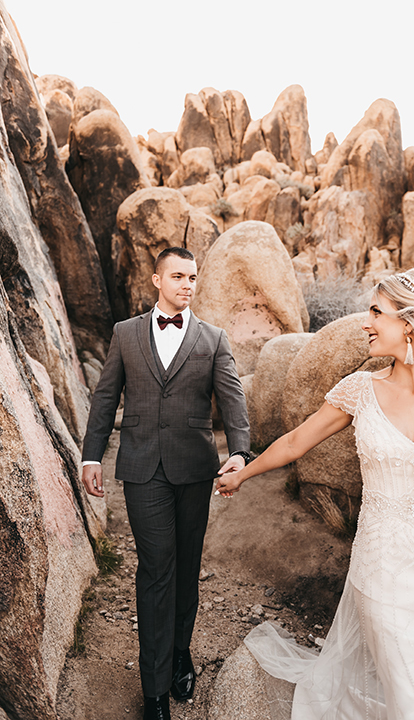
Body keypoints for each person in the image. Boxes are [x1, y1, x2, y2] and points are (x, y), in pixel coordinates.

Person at [216, 267, 414, 719]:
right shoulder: (361, 390)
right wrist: (243, 472)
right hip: (384, 568)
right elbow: (296, 442)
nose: (365, 322)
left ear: (410, 324)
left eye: (377, 312)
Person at [82, 246, 250, 720]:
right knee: (157, 569)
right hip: (140, 469)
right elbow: (105, 396)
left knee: (187, 565)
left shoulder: (213, 339)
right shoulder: (125, 333)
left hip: (195, 470)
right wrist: (91, 455)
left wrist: (238, 451)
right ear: (157, 280)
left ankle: (181, 652)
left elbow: (233, 401)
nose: (187, 285)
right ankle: (154, 691)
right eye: (177, 276)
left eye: (192, 277)